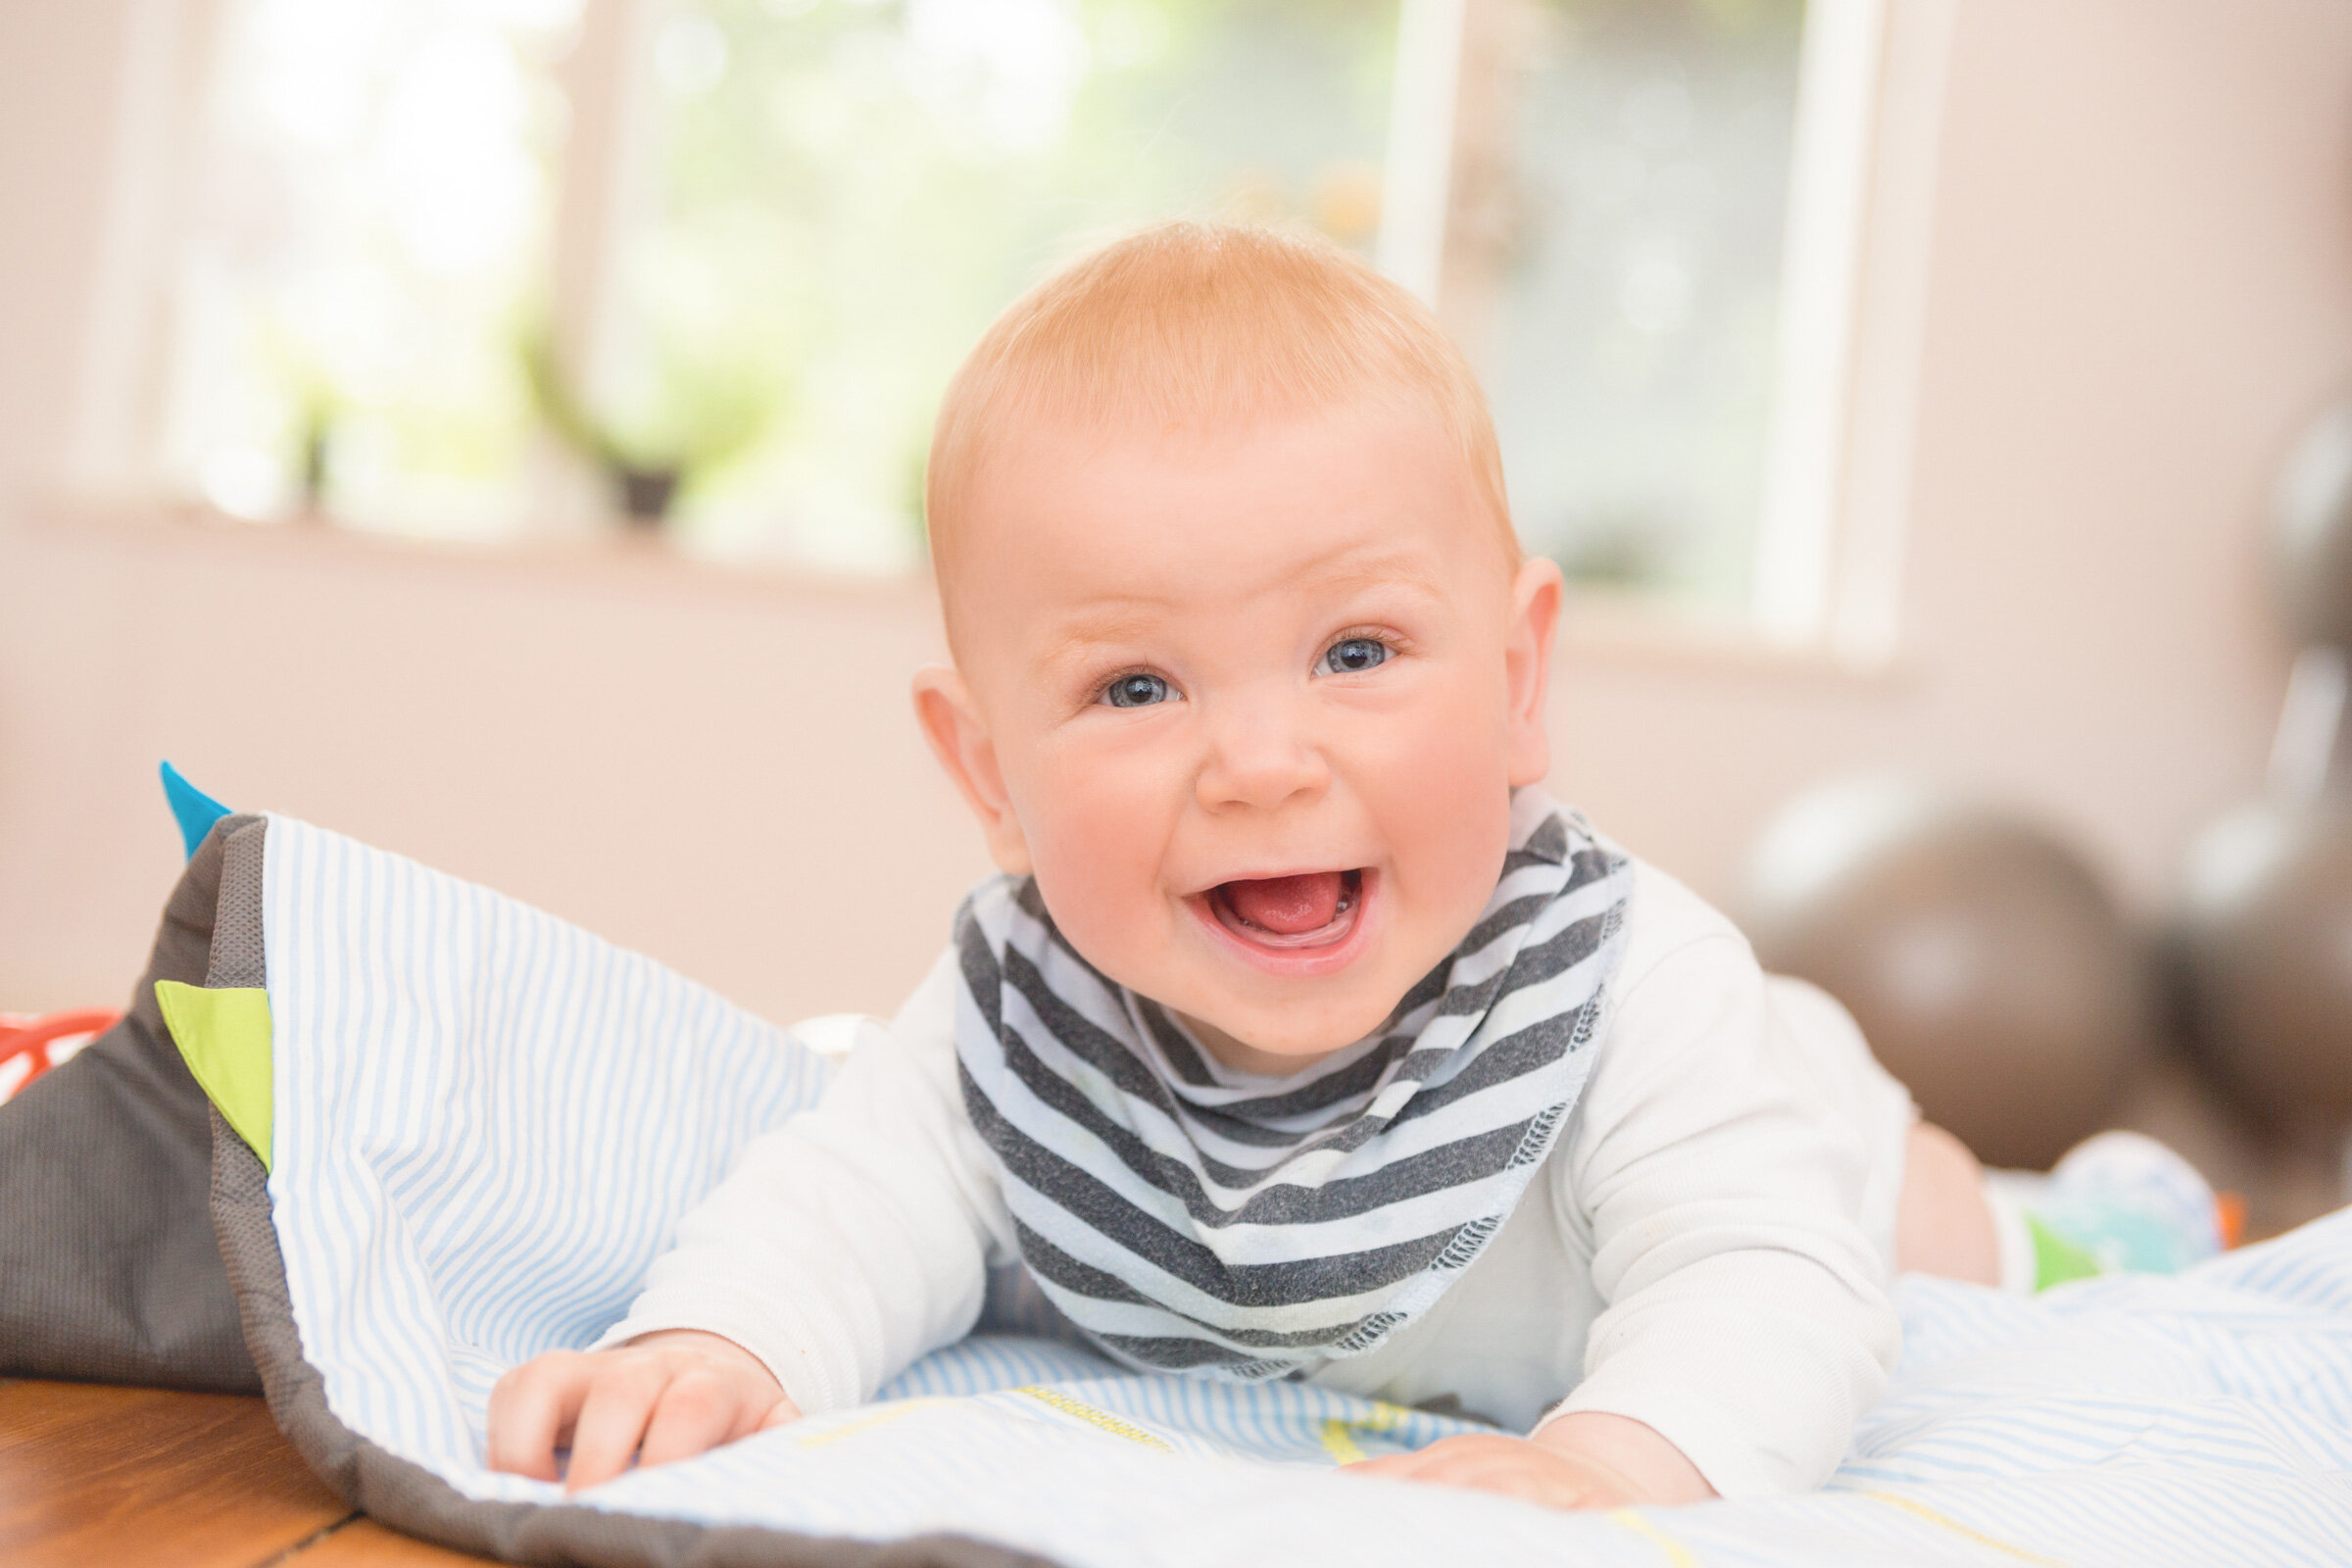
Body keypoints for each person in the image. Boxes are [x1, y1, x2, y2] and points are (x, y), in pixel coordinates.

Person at [484, 221, 2220, 1510]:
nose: (1259, 762)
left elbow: (1765, 1283)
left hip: (1801, 1138)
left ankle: (2101, 1216)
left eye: (1358, 653)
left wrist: (1610, 1469)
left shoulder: (1632, 990)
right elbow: (845, 1201)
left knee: (1923, 1232)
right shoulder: (1020, 1018)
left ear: (1520, 680)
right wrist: (716, 1345)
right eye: (1137, 686)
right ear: (988, 773)